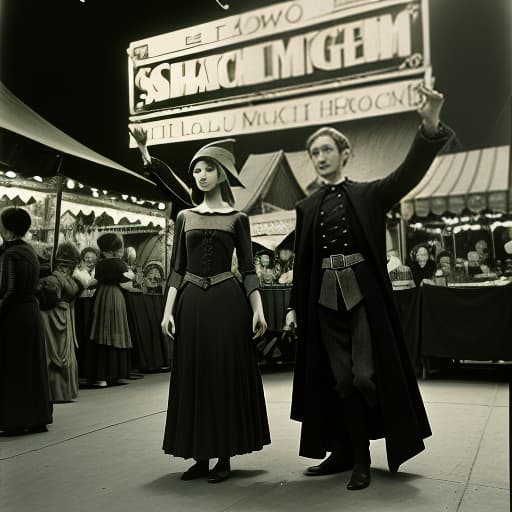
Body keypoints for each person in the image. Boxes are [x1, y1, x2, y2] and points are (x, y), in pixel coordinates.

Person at [284, 85, 453, 490]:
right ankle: (347, 455)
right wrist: (293, 307)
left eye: (326, 150)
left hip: (363, 295)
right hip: (322, 298)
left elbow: (408, 173)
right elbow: (304, 262)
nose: (320, 158)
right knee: (337, 380)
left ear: (345, 154)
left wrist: (429, 125)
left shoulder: (369, 194)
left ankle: (363, 455)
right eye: (314, 153)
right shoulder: (306, 207)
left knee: (363, 378)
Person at [132, 128, 270, 483]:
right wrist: (166, 312)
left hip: (227, 302)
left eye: (207, 168)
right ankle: (199, 456)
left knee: (223, 375)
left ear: (221, 173)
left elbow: (250, 269)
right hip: (191, 303)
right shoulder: (185, 217)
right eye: (196, 170)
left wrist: (258, 308)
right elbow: (177, 268)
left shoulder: (238, 219)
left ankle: (224, 455)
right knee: (193, 375)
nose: (201, 175)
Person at [0, 207, 53, 434]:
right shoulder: (28, 250)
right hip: (31, 313)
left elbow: (9, 290)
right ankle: (36, 417)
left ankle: (16, 420)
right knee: (31, 366)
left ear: (7, 228)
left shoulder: (11, 254)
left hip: (15, 316)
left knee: (14, 367)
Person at [89, 233, 134, 386]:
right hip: (116, 297)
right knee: (118, 332)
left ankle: (101, 377)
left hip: (102, 297)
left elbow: (95, 281)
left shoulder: (100, 265)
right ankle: (119, 375)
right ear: (114, 249)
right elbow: (128, 280)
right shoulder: (121, 264)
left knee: (102, 334)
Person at [40, 242, 82, 403]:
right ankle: (60, 392)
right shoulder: (56, 279)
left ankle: (58, 392)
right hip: (54, 316)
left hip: (57, 315)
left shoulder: (58, 279)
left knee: (55, 352)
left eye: (67, 267)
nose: (65, 270)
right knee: (54, 352)